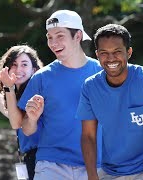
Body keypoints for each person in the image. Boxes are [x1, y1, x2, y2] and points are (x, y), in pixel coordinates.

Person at [76, 23, 143, 180]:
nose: (110, 58)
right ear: (97, 54)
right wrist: (92, 176)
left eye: (117, 52)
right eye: (104, 53)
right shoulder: (90, 87)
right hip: (111, 171)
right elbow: (88, 136)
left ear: (129, 52)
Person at [13, 10, 103, 180]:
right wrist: (31, 118)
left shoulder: (102, 73)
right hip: (51, 164)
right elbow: (26, 129)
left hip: (96, 166)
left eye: (59, 36)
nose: (53, 43)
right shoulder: (41, 78)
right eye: (49, 37)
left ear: (77, 36)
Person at [0, 44, 43, 180]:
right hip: (30, 158)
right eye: (14, 64)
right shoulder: (17, 93)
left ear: (34, 69)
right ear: (7, 68)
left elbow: (16, 121)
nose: (18, 69)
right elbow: (11, 113)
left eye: (24, 64)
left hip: (41, 158)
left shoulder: (35, 92)